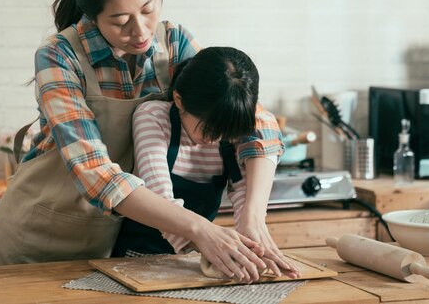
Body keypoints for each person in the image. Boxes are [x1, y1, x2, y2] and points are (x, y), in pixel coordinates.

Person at [0, 0, 294, 282]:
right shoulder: (59, 56)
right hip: (35, 238)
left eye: (148, 9)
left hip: (107, 244)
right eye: (120, 20)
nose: (140, 31)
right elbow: (94, 171)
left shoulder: (174, 44)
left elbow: (254, 119)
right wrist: (200, 230)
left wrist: (252, 218)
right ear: (93, 17)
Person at [113, 47, 300, 278]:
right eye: (209, 129)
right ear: (179, 100)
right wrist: (210, 243)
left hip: (193, 260)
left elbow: (243, 195)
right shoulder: (153, 117)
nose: (215, 139)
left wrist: (253, 244)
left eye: (224, 133)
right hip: (137, 259)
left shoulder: (229, 131)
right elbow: (160, 195)